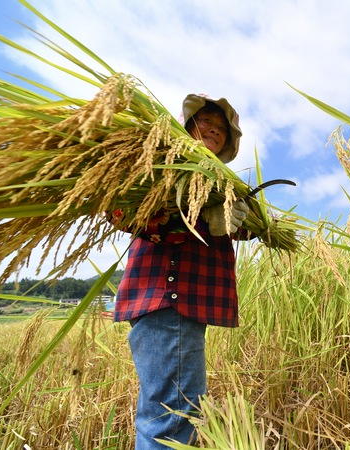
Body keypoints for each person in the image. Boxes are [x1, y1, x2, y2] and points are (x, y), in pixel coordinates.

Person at [112, 94, 250, 449]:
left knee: (167, 415)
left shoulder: (223, 186)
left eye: (221, 129)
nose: (214, 130)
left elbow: (244, 226)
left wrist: (241, 220)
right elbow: (121, 211)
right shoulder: (161, 167)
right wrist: (201, 217)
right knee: (173, 420)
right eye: (206, 121)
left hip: (179, 306)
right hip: (168, 301)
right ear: (187, 126)